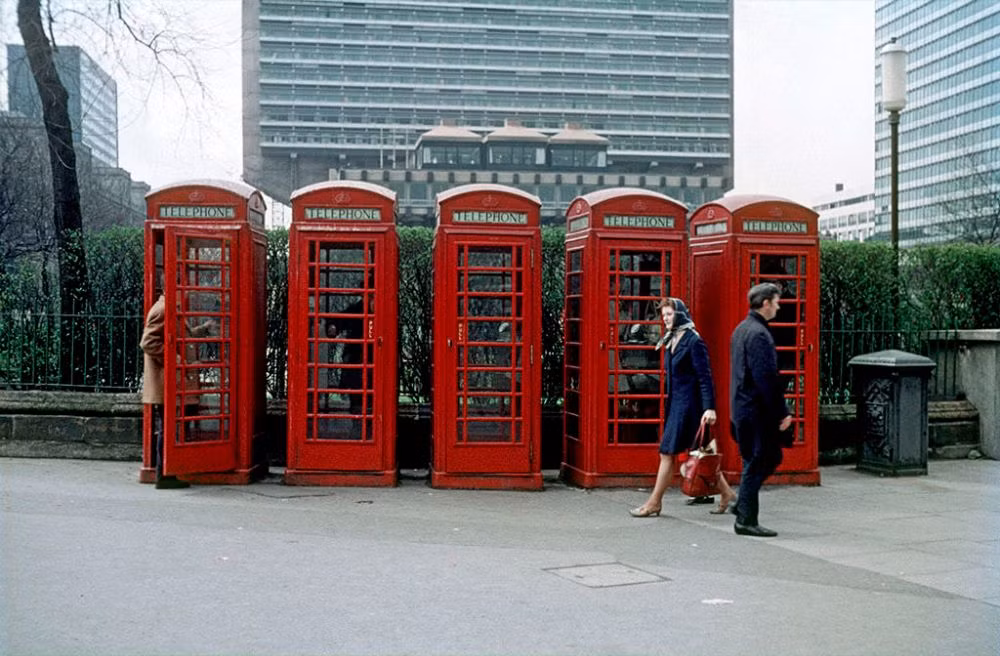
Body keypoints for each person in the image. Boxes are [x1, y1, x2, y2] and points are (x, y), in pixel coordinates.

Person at [630, 298, 736, 517]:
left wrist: (710, 408)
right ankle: (728, 494)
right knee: (702, 454)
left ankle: (654, 502)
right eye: (664, 315)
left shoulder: (693, 340)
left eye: (670, 314)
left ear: (680, 314)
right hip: (676, 405)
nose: (666, 319)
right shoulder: (671, 338)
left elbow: (705, 378)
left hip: (690, 408)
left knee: (666, 453)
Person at [729, 282, 793, 537]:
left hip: (741, 407)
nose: (778, 306)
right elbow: (766, 378)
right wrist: (782, 412)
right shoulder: (758, 334)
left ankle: (742, 506)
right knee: (761, 460)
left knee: (756, 460)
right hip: (756, 410)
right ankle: (745, 518)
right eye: (776, 301)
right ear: (766, 303)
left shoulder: (742, 328)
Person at [140, 293, 190, 490]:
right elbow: (147, 342)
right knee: (166, 428)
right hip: (164, 381)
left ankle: (167, 472)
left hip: (169, 380)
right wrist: (172, 357)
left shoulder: (170, 308)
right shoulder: (162, 310)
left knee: (168, 427)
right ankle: (164, 474)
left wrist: (201, 330)